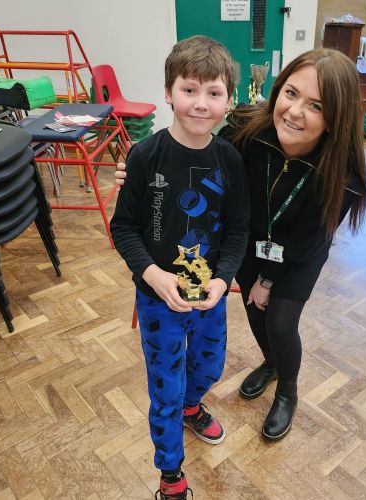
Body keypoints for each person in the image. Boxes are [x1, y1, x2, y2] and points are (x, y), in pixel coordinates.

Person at [116, 48, 366, 442]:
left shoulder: (343, 176)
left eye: (316, 105)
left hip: (297, 253)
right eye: (291, 93)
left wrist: (268, 280)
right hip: (249, 241)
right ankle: (270, 363)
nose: (295, 111)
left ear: (336, 118)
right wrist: (139, 176)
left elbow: (307, 239)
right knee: (254, 312)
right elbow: (199, 167)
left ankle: (287, 391)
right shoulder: (245, 131)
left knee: (280, 320)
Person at [110, 36, 250, 500]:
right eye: (190, 90)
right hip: (158, 300)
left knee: (209, 368)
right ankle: (170, 473)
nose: (201, 103)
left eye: (214, 93)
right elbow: (123, 227)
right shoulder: (144, 155)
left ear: (228, 101)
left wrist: (223, 279)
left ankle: (193, 407)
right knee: (165, 390)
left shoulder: (230, 159)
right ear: (169, 92)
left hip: (209, 295)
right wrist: (152, 275)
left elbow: (238, 230)